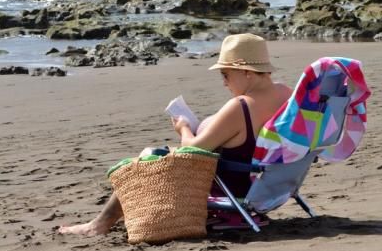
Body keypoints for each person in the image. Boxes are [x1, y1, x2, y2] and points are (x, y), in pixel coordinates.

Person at [59, 33, 291, 237]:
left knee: (149, 156)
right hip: (271, 183)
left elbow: (192, 151)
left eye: (226, 74)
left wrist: (183, 129)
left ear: (246, 72)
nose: (223, 83)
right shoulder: (287, 95)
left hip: (234, 186)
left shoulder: (241, 106)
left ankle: (99, 225)